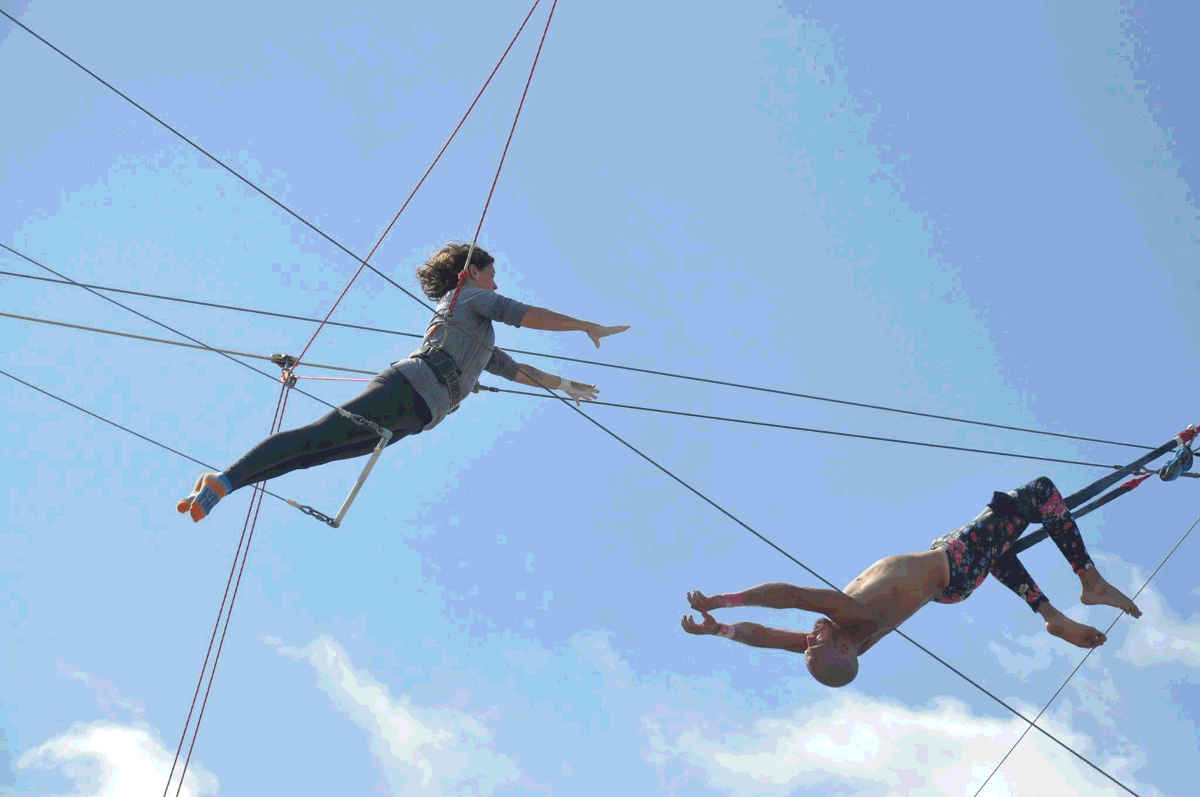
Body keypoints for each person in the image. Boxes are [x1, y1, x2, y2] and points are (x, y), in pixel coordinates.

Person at [176, 242, 630, 521]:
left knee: (316, 455)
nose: (496, 281)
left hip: (418, 414)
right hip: (409, 388)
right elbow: (524, 315)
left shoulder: (481, 336)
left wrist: (563, 385)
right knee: (318, 438)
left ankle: (225, 486)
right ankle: (226, 478)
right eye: (492, 272)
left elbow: (516, 370)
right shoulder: (468, 297)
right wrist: (585, 325)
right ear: (471, 272)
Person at [681, 476, 1142, 688]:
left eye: (807, 645)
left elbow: (765, 638)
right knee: (1040, 493)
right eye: (814, 644)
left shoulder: (841, 641)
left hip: (953, 574)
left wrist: (718, 630)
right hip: (953, 565)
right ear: (842, 651)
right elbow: (791, 597)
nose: (810, 637)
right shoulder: (852, 619)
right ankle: (1091, 580)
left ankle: (1051, 614)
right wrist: (722, 599)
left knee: (992, 548)